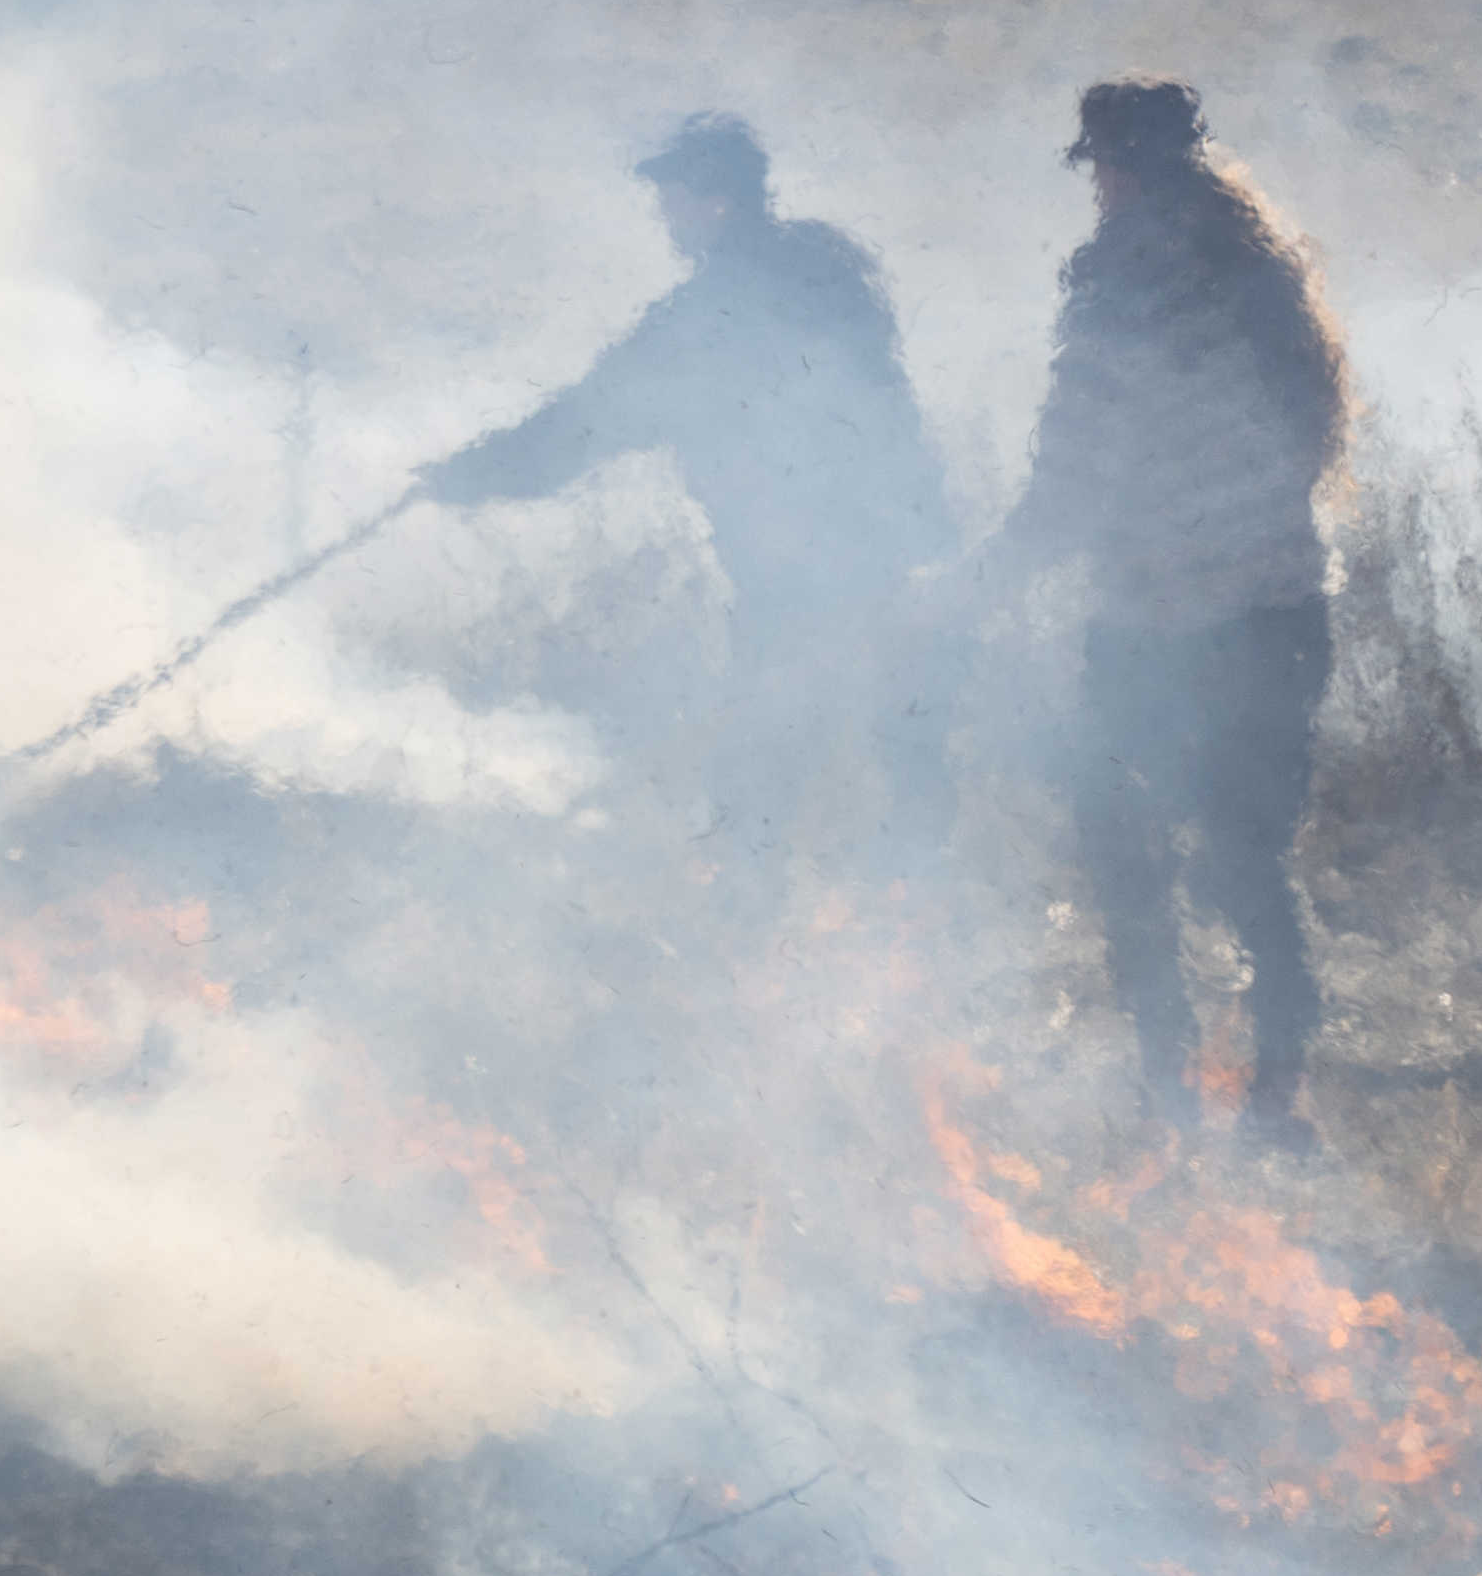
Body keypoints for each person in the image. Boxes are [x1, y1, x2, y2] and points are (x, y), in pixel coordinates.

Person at [412, 112, 956, 879]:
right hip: (889, 551)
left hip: (796, 573)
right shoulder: (824, 272)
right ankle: (934, 913)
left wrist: (471, 475)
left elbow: (593, 418)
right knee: (903, 748)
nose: (664, 218)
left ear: (714, 202)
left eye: (672, 200)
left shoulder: (709, 313)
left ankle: (751, 919)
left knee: (767, 763)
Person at [977, 76, 1352, 1150]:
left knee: (1124, 849)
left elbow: (1074, 475)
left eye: (1098, 169)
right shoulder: (1264, 281)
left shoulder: (1120, 285)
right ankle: (1275, 1104)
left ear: (1115, 172)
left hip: (1159, 627)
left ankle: (1170, 1096)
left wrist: (984, 580)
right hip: (1281, 613)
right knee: (1246, 859)